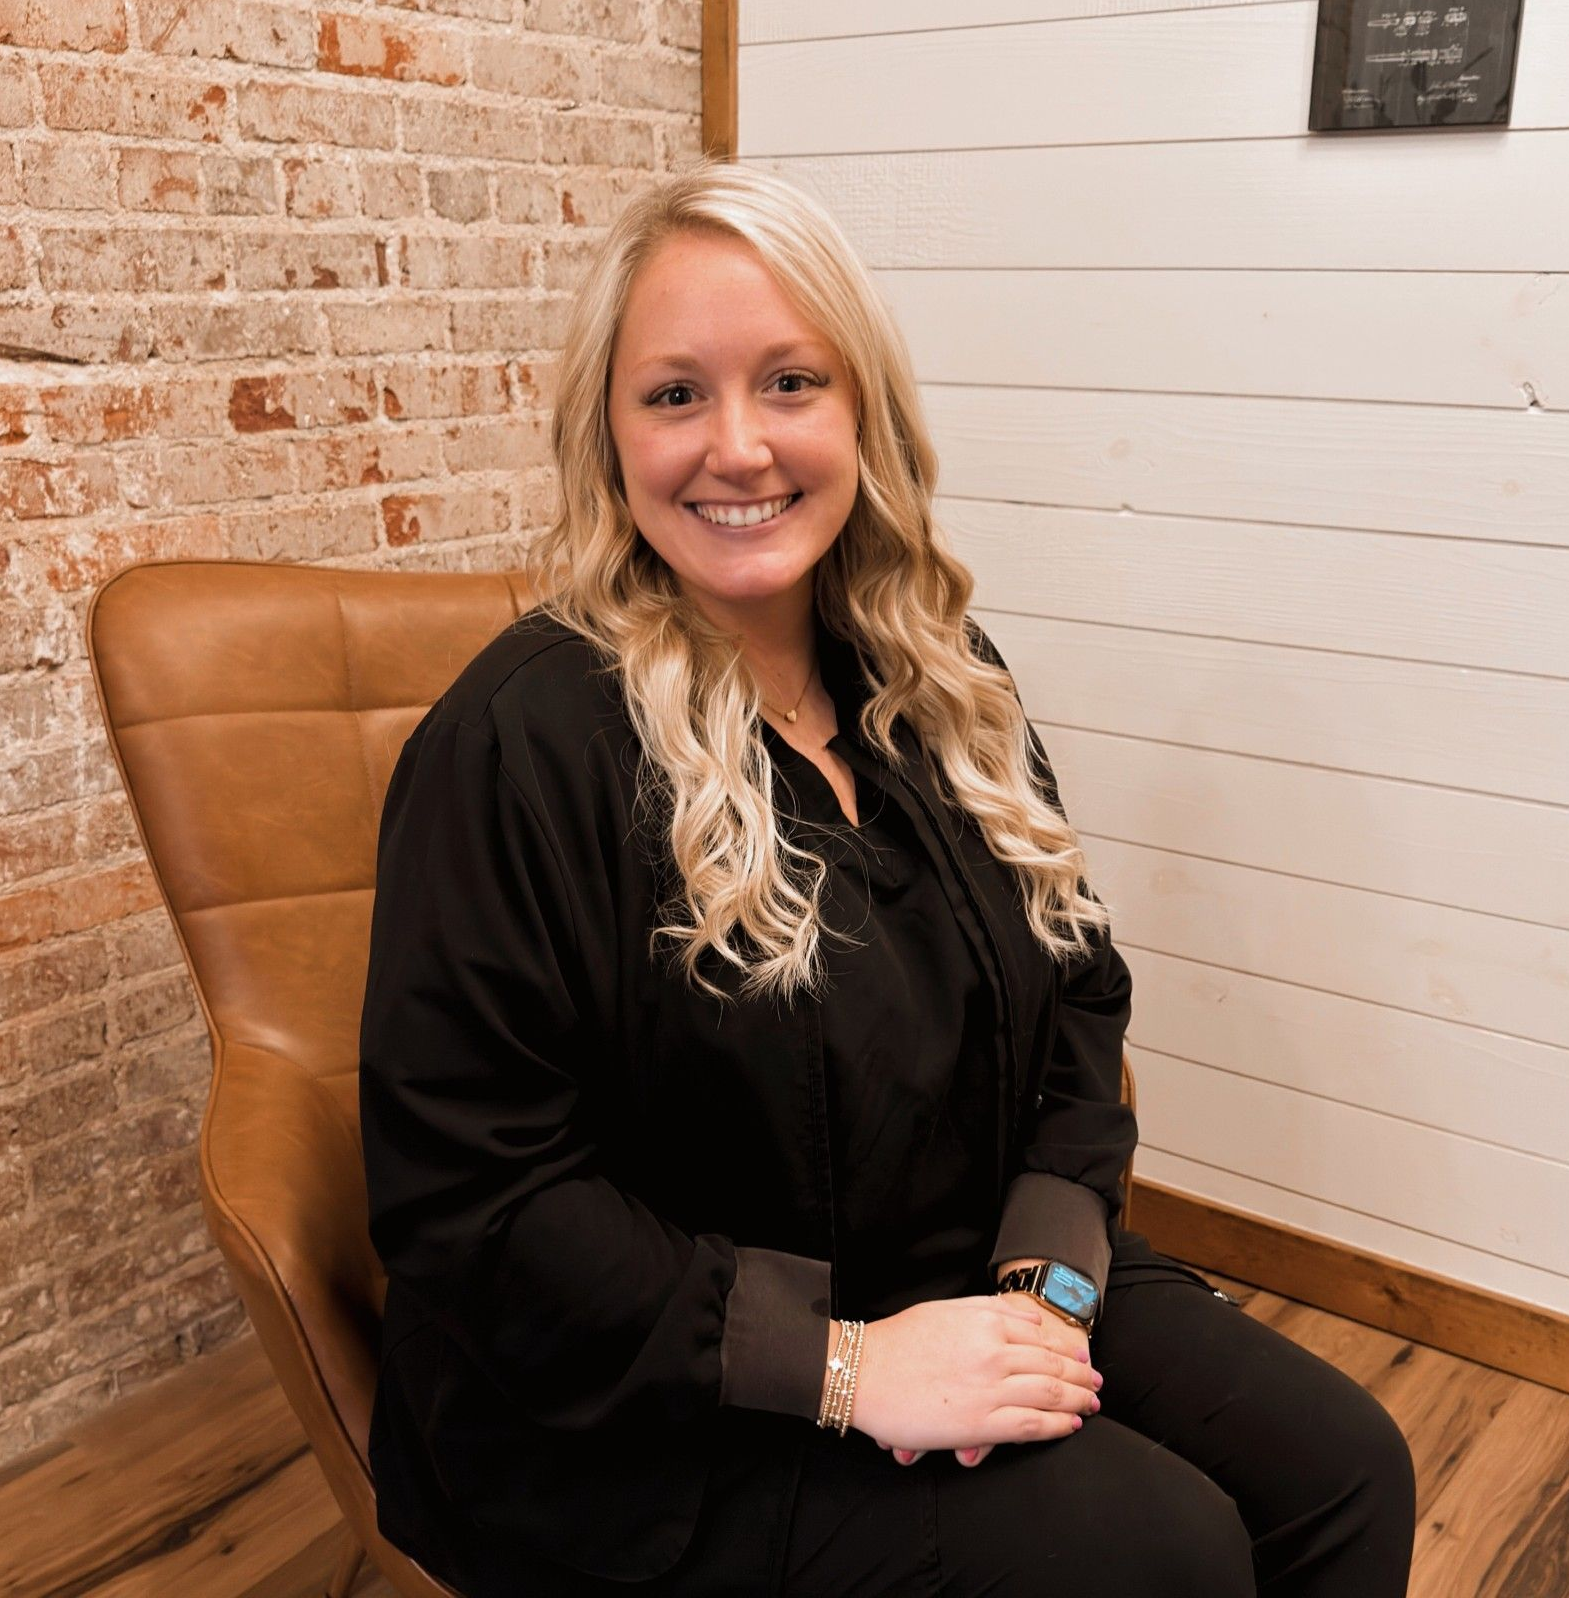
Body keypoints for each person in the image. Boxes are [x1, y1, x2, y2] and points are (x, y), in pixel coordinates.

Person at [358, 158, 1416, 1597]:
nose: (737, 445)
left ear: (864, 412)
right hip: (646, 1397)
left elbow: (1076, 998)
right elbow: (475, 1200)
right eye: (675, 394)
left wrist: (1046, 1285)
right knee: (1158, 1554)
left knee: (1343, 1468)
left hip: (966, 1265)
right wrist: (850, 1364)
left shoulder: (941, 685)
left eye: (789, 381)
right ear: (607, 438)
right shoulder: (519, 740)